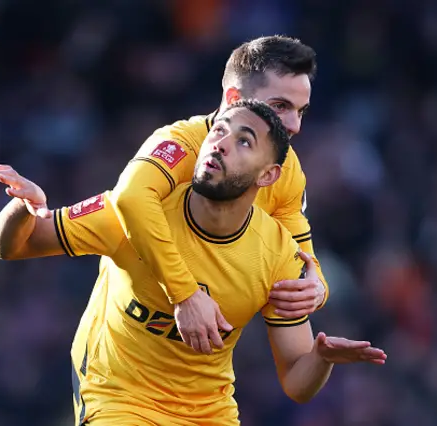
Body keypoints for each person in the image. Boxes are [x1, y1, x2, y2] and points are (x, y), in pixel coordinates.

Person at [0, 100, 386, 426]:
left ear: (268, 176)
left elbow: (298, 384)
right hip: (119, 401)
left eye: (243, 142)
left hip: (208, 414)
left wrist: (322, 359)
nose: (220, 143)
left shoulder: (277, 253)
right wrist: (24, 210)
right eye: (218, 131)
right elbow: (8, 246)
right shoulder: (131, 216)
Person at [110, 35, 329, 355]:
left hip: (201, 370)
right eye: (281, 106)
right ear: (234, 97)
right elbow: (130, 198)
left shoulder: (286, 169)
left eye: (301, 111)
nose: (294, 125)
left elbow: (298, 250)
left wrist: (316, 287)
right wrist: (184, 294)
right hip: (121, 354)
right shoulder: (181, 143)